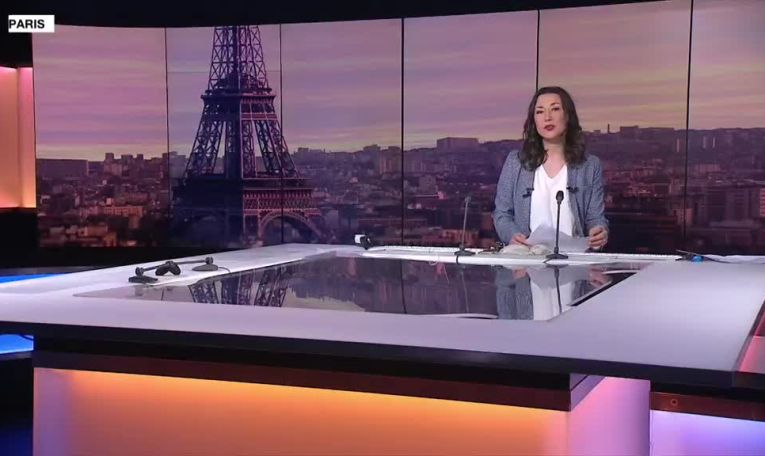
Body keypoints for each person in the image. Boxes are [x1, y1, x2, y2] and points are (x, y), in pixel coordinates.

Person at [492, 86, 608, 249]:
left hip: (574, 259)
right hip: (528, 257)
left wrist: (599, 231)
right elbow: (501, 214)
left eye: (555, 109)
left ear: (567, 116)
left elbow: (595, 218)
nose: (547, 117)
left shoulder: (589, 166)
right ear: (534, 120)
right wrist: (511, 235)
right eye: (540, 111)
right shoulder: (515, 162)